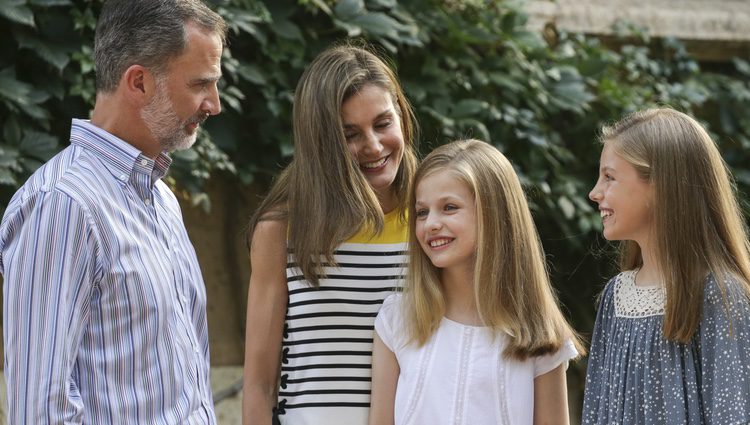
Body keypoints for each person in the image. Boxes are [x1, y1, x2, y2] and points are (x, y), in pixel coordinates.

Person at [0, 1, 226, 423]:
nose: (213, 104)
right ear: (138, 82)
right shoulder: (64, 204)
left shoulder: (161, 200)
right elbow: (40, 411)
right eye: (201, 84)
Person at [242, 44, 418, 425]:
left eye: (383, 123)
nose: (373, 146)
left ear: (402, 117)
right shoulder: (281, 229)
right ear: (320, 143)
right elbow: (259, 384)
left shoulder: (431, 219)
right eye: (350, 134)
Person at [369, 139, 582, 425]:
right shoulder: (398, 321)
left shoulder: (538, 334)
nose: (431, 223)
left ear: (495, 216)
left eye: (449, 207)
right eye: (422, 212)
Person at [583, 108, 750, 424]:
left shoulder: (719, 295)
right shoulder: (616, 296)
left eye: (609, 177)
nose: (595, 193)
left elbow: (732, 416)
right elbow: (595, 411)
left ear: (662, 184)